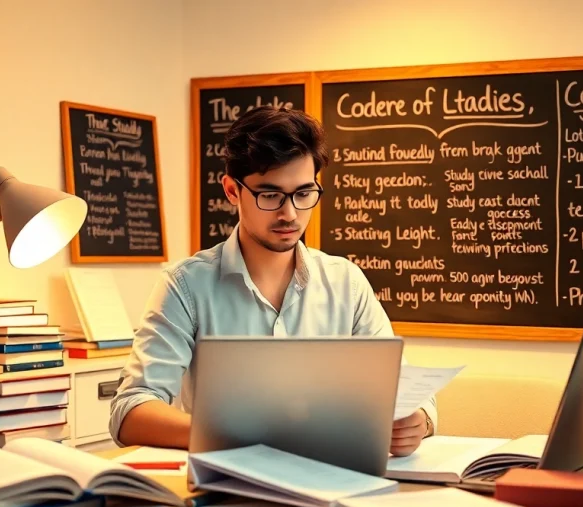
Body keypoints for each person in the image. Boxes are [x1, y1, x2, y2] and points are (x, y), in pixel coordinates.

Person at [108, 105, 436, 456]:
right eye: (270, 195)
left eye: (304, 193)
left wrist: (417, 420)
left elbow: (403, 391)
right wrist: (238, 435)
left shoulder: (347, 283)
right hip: (228, 490)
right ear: (233, 191)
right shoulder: (185, 285)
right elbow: (130, 412)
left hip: (333, 478)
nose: (290, 214)